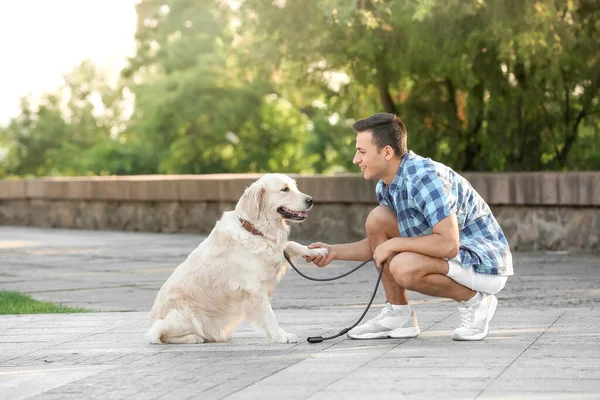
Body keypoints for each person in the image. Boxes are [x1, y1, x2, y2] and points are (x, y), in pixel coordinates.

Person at [305, 113, 513, 341]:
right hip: (455, 256)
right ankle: (398, 315)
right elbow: (379, 245)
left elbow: (449, 244)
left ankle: (477, 302)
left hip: (484, 263)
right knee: (378, 219)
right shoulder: (388, 185)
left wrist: (394, 244)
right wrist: (333, 252)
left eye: (362, 152)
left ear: (386, 152)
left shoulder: (424, 178)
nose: (356, 159)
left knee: (403, 266)